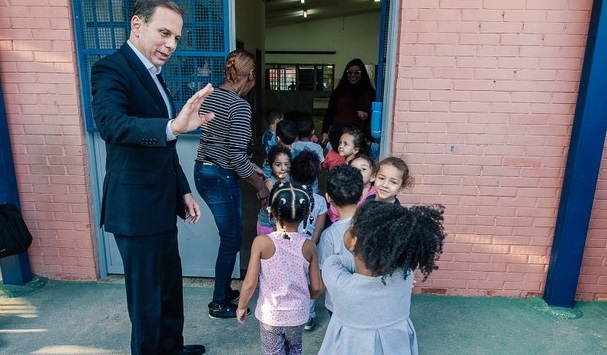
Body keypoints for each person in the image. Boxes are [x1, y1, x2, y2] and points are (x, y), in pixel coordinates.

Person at [91, 1, 212, 354]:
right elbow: (112, 125)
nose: (171, 44)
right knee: (146, 300)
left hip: (160, 204)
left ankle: (171, 347)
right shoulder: (110, 70)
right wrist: (174, 125)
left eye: (176, 36)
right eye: (164, 33)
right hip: (133, 209)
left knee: (169, 286)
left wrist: (183, 191)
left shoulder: (154, 75)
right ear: (136, 25)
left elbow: (164, 146)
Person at [194, 49, 269, 319]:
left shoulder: (211, 96)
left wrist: (252, 166)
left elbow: (226, 146)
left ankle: (225, 291)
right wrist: (260, 186)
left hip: (204, 170)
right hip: (220, 176)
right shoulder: (239, 106)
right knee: (231, 239)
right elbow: (236, 157)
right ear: (249, 76)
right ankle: (218, 303)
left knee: (230, 238)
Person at [318, 201, 446, 355]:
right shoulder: (405, 276)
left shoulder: (339, 280)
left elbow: (334, 261)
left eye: (350, 227)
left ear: (354, 242)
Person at [236, 182, 324, 355]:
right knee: (295, 349)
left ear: (271, 210)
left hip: (271, 315)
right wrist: (304, 297)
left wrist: (241, 307)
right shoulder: (308, 246)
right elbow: (317, 287)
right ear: (307, 213)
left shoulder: (262, 243)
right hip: (298, 315)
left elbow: (249, 283)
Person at [317, 164, 363, 317]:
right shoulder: (373, 225)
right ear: (361, 194)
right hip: (368, 300)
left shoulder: (328, 235)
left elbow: (324, 273)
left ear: (328, 197)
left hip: (337, 304)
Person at [289, 150, 328, 331]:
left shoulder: (287, 195)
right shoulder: (320, 201)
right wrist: (311, 244)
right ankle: (308, 317)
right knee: (309, 281)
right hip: (310, 247)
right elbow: (319, 227)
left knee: (291, 280)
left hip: (289, 245)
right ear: (315, 177)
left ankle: (291, 312)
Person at [321, 58, 376, 145]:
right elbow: (330, 113)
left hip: (360, 136)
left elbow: (376, 114)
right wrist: (324, 131)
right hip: (339, 135)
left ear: (362, 74)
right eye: (350, 72)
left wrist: (367, 115)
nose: (353, 75)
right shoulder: (338, 92)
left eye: (357, 72)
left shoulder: (370, 93)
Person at [328, 154, 376, 223]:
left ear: (372, 177)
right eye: (354, 168)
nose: (358, 172)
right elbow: (334, 214)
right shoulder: (341, 192)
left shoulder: (376, 196)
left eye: (363, 169)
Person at [257, 145, 291, 235]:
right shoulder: (270, 183)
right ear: (271, 166)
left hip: (282, 224)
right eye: (278, 165)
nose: (283, 168)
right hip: (269, 225)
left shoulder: (289, 179)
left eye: (286, 164)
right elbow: (265, 207)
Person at [292, 115, 324, 194]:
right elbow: (320, 168)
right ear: (312, 132)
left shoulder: (293, 145)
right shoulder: (317, 147)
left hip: (296, 185)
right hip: (313, 187)